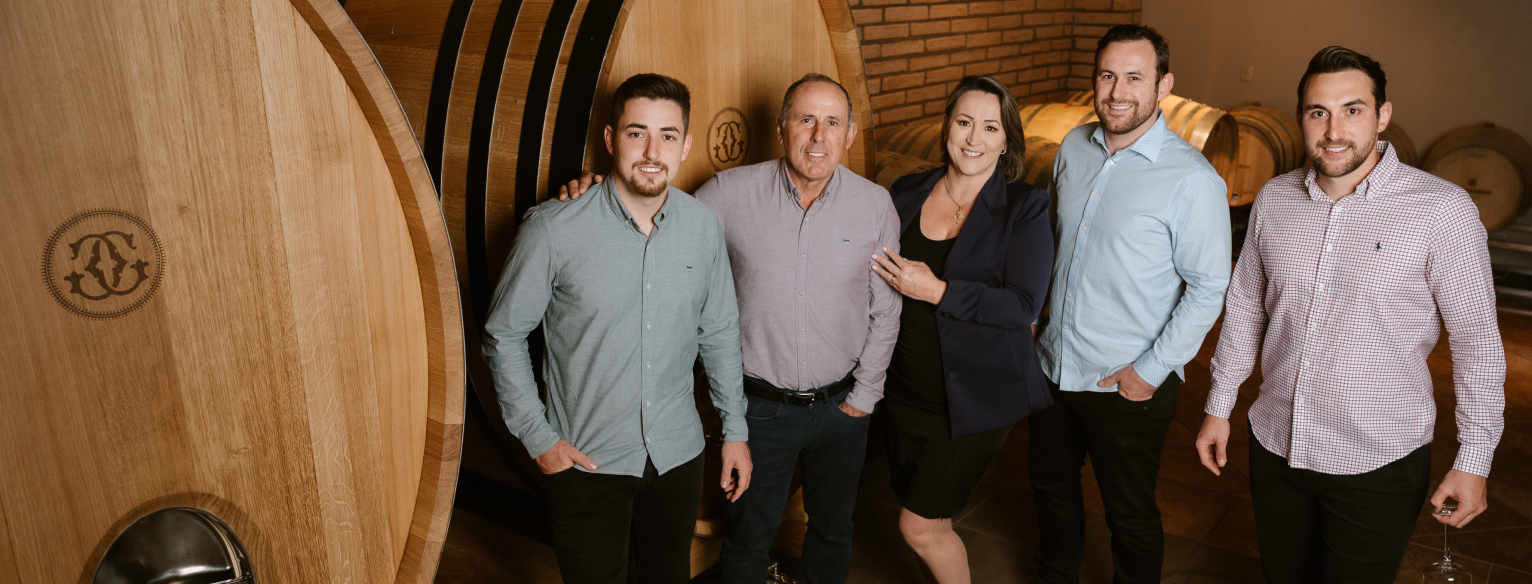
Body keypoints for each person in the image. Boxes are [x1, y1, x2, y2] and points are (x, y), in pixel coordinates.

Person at [559, 73, 901, 584]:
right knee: (747, 538)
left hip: (842, 407)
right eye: (805, 120)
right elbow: (654, 212)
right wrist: (594, 188)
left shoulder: (875, 204)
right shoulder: (728, 193)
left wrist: (866, 396)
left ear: (849, 134)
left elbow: (886, 309)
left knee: (833, 531)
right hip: (760, 410)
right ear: (781, 128)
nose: (818, 136)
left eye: (833, 123)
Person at [1194, 46, 1505, 583]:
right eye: (1319, 112)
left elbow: (1476, 342)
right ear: (1301, 118)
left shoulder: (1442, 210)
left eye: (1353, 110)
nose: (1334, 130)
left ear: (1383, 116)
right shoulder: (1275, 199)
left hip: (1378, 460)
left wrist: (1474, 458)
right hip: (1276, 445)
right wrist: (1219, 405)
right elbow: (1245, 307)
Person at [481, 73, 753, 584]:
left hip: (678, 456)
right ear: (610, 139)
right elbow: (503, 336)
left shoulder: (702, 227)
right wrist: (539, 439)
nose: (652, 151)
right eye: (636, 133)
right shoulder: (553, 228)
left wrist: (735, 432)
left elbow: (718, 332)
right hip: (586, 464)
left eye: (667, 135)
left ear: (685, 145)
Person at [1029, 24, 1231, 583]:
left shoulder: (1192, 179)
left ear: (1163, 85)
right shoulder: (1073, 146)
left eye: (1134, 78)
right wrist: (1034, 316)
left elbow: (1209, 287)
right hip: (1053, 366)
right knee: (1050, 492)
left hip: (1125, 381)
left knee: (1130, 515)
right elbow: (1055, 239)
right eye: (1107, 75)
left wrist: (1149, 371)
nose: (1117, 92)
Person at [870, 75, 1053, 584]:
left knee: (919, 526)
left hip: (974, 396)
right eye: (964, 122)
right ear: (946, 126)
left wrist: (939, 291)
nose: (974, 138)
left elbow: (1023, 304)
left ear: (1007, 140)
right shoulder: (906, 193)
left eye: (990, 127)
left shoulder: (1024, 207)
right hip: (904, 390)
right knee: (934, 515)